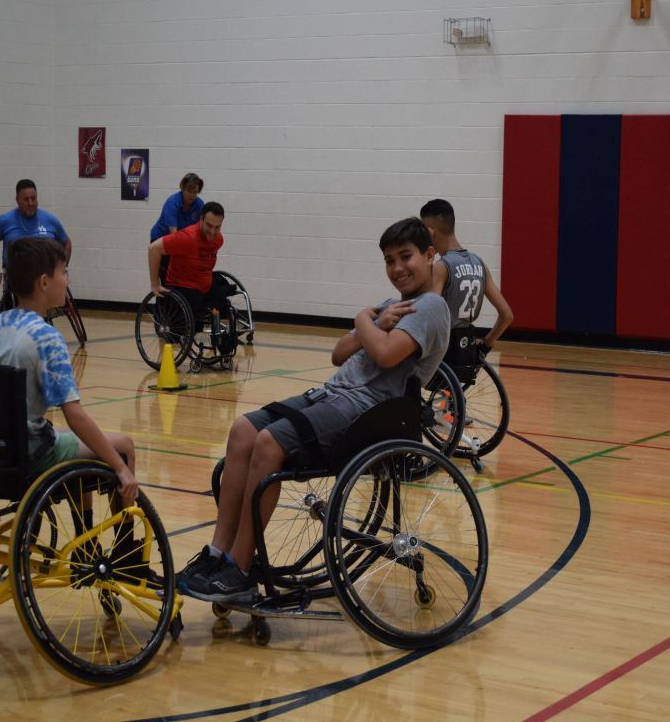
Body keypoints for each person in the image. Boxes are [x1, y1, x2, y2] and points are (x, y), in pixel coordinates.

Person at [176, 217, 450, 603]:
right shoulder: (392, 305)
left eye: (406, 257)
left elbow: (386, 354)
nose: (397, 268)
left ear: (430, 255)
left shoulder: (431, 306)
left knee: (268, 443)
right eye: (389, 260)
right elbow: (339, 353)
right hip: (331, 395)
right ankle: (218, 553)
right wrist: (374, 322)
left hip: (365, 410)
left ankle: (239, 568)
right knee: (242, 430)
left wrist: (363, 320)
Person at [0, 237, 137, 505]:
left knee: (74, 441)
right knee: (124, 445)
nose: (67, 279)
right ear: (44, 282)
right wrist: (119, 467)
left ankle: (86, 529)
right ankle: (123, 531)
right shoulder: (47, 337)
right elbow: (74, 416)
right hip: (31, 453)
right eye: (64, 272)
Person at [419, 198, 514, 353]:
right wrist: (486, 344)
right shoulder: (480, 264)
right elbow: (507, 315)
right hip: (466, 351)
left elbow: (428, 314)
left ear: (431, 233)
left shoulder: (441, 267)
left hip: (443, 352)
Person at [148, 201, 233, 318]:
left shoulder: (218, 240)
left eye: (217, 227)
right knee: (197, 305)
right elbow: (153, 249)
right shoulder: (187, 238)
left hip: (204, 286)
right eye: (209, 225)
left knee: (225, 302)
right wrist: (155, 284)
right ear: (201, 220)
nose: (213, 231)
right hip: (184, 286)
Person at [0, 179, 71, 279]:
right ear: (17, 199)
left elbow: (67, 243)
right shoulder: (5, 220)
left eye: (33, 198)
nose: (30, 203)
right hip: (15, 280)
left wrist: (63, 268)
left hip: (44, 279)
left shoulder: (51, 220)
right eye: (26, 199)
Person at [149, 172, 205, 242]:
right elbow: (174, 235)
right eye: (189, 191)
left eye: (195, 192)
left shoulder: (200, 204)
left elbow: (201, 228)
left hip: (181, 237)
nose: (192, 195)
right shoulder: (172, 203)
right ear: (183, 189)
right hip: (161, 237)